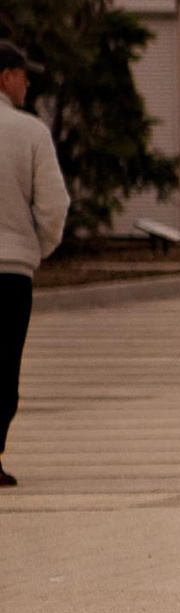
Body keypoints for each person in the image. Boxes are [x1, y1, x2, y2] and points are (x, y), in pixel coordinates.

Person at [0, 42, 69, 489]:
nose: (27, 83)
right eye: (23, 75)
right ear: (6, 77)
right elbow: (53, 205)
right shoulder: (29, 132)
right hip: (10, 271)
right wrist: (35, 248)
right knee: (3, 365)